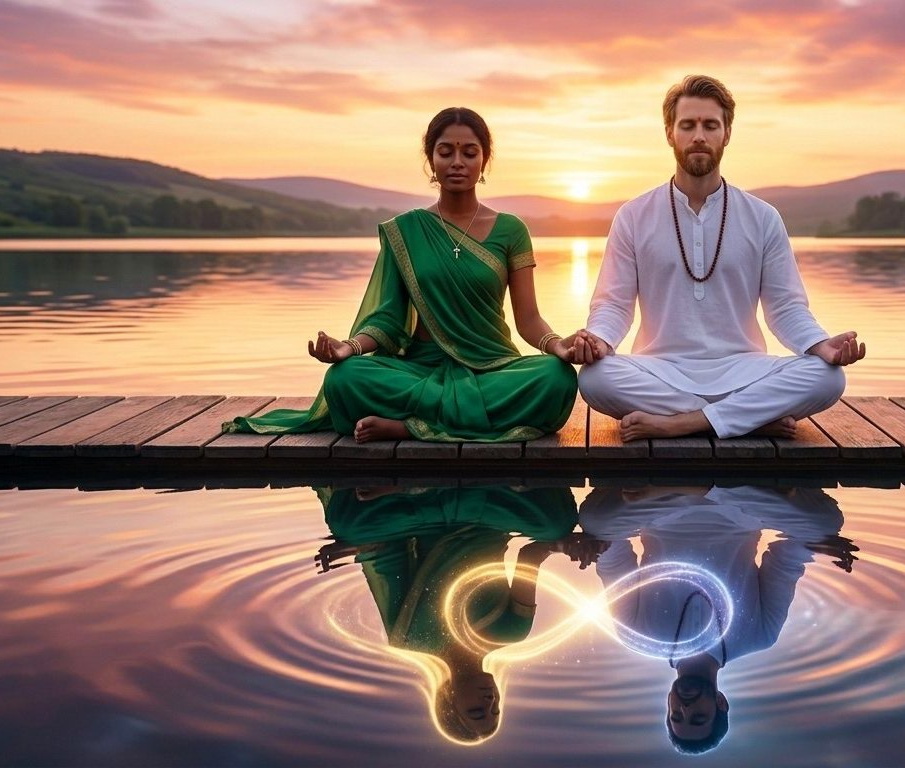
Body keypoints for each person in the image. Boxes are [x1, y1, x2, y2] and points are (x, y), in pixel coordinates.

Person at [225, 107, 578, 442]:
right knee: (344, 379)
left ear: (484, 160)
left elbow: (529, 319)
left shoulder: (510, 230)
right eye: (446, 152)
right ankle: (453, 420)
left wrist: (558, 346)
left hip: (493, 366)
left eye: (469, 153)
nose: (457, 162)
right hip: (418, 369)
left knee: (556, 378)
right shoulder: (406, 230)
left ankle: (409, 427)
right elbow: (388, 320)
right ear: (431, 160)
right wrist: (348, 348)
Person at [575, 75, 866, 442]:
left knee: (828, 377)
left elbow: (786, 307)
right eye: (688, 125)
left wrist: (821, 346)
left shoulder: (762, 217)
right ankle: (750, 416)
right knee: (595, 378)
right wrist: (598, 339)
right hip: (659, 369)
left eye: (710, 125)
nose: (699, 135)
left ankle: (686, 423)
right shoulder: (633, 215)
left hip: (743, 367)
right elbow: (613, 304)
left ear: (726, 133)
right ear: (670, 133)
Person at [579, 484, 858, 754]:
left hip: (663, 512)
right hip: (738, 514)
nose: (685, 709)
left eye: (676, 715)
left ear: (668, 703)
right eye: (698, 717)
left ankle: (700, 487)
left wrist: (593, 547)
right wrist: (813, 545)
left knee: (596, 521)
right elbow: (785, 564)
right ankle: (707, 487)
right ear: (721, 703)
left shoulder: (637, 636)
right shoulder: (759, 637)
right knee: (826, 523)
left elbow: (612, 558)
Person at [316, 484, 596, 744]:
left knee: (347, 525)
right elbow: (529, 557)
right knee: (556, 524)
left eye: (477, 711)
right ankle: (465, 480)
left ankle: (423, 483)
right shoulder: (511, 632)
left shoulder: (410, 639)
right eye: (496, 709)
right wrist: (565, 545)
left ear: (447, 700)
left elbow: (388, 560)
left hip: (425, 516)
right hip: (487, 515)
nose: (491, 701)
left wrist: (361, 545)